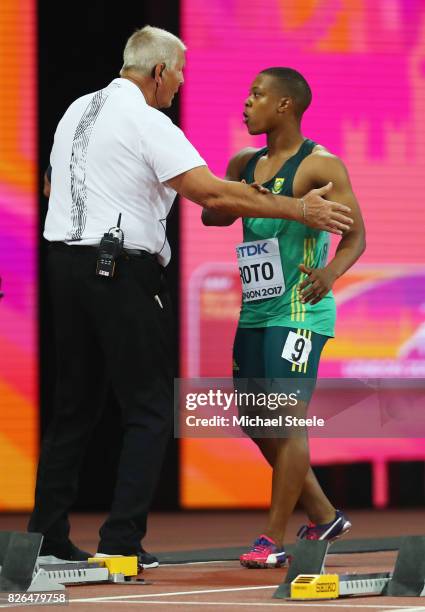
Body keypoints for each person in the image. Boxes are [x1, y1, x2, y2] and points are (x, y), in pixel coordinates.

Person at [29, 27, 353, 569]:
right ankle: (121, 542)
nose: (180, 84)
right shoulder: (148, 121)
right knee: (151, 408)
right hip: (120, 271)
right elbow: (210, 195)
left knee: (72, 408)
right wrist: (301, 210)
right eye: (178, 73)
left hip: (63, 267)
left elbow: (48, 184)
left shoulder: (76, 111)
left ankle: (46, 541)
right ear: (158, 72)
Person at [202, 67, 366, 568]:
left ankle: (273, 539)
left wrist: (331, 273)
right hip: (256, 310)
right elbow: (213, 214)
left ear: (285, 105)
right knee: (255, 418)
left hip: (299, 309)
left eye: (257, 95)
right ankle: (322, 514)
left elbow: (356, 236)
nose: (246, 103)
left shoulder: (320, 166)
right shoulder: (242, 162)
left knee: (286, 417)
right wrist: (240, 195)